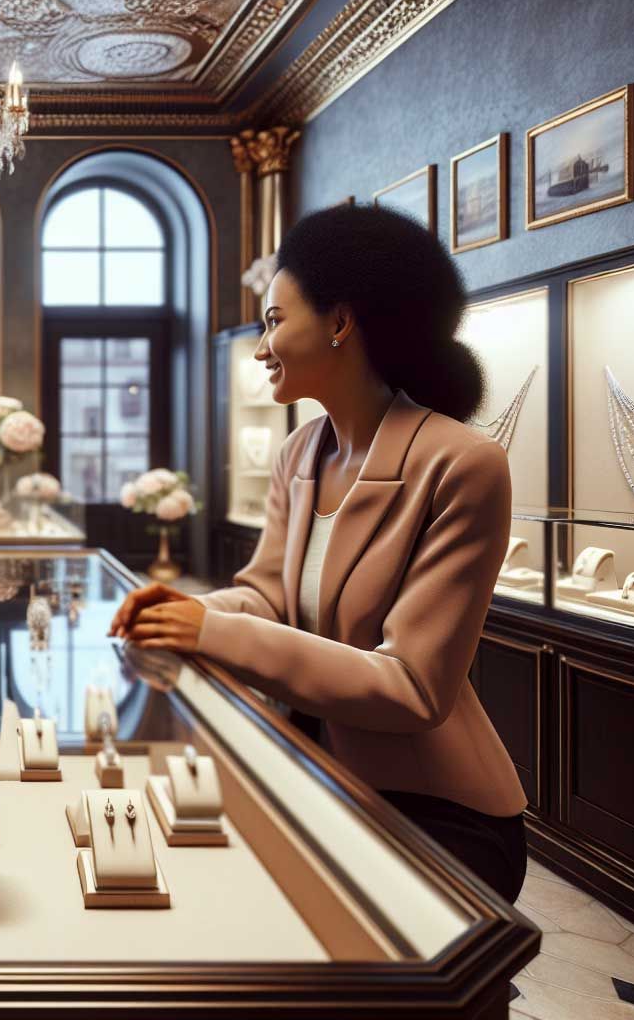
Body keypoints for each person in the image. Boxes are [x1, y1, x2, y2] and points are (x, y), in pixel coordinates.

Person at [110, 204, 528, 903]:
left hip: (435, 815)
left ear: (340, 322)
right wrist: (184, 610)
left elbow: (414, 688)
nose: (261, 346)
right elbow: (268, 597)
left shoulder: (464, 464)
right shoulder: (300, 451)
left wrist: (210, 628)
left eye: (274, 320)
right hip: (315, 770)